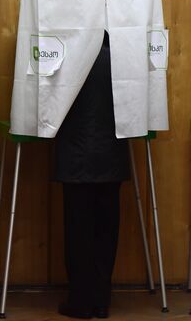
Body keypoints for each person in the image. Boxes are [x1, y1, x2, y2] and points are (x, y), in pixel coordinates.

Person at [54, 31, 130, 319]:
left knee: (78, 230)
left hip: (76, 156)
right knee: (106, 229)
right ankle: (101, 300)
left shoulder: (69, 52)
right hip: (112, 154)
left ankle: (81, 300)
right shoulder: (121, 54)